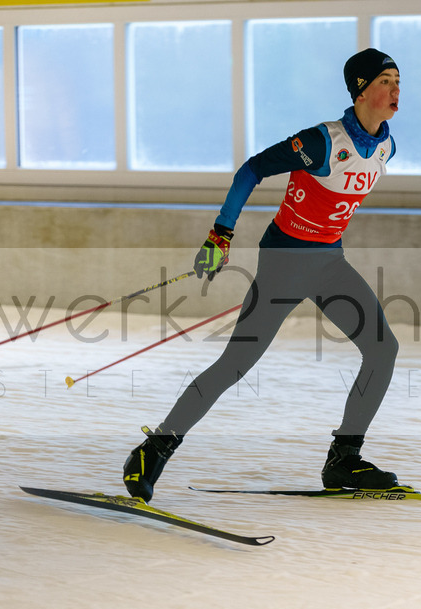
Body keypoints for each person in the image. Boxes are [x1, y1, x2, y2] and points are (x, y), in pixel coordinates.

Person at [123, 48, 402, 502]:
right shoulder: (322, 142)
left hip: (329, 264)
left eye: (397, 82)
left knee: (383, 349)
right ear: (360, 90)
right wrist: (221, 234)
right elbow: (251, 169)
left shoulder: (386, 146)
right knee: (235, 364)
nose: (394, 90)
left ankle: (344, 458)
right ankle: (151, 450)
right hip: (284, 263)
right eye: (385, 81)